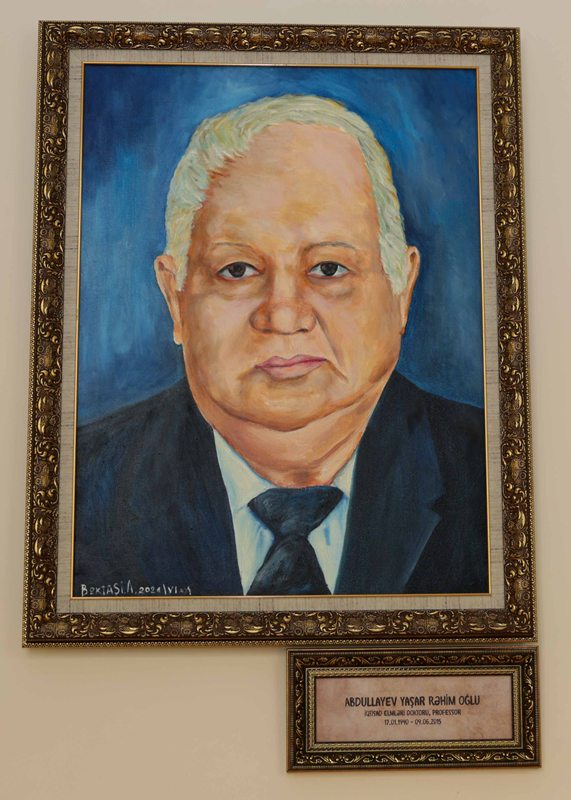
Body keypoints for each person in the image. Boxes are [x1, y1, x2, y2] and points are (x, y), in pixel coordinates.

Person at [74, 95, 488, 598]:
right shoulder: (73, 489)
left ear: (401, 289)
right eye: (237, 270)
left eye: (329, 268)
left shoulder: (496, 474)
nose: (284, 316)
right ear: (176, 298)